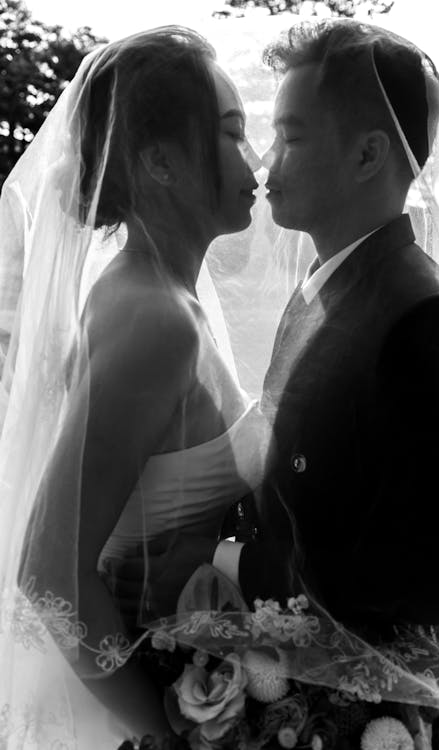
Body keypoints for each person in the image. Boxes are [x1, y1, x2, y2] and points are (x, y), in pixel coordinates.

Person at [115, 19, 439, 748]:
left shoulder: (429, 316)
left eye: (290, 135)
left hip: (378, 719)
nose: (267, 159)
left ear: (366, 153)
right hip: (301, 698)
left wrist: (221, 562)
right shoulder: (325, 287)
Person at [0, 25, 271, 746]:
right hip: (134, 709)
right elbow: (50, 572)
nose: (256, 158)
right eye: (230, 134)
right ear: (158, 162)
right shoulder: (156, 321)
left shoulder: (161, 293)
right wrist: (163, 732)